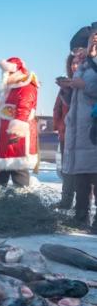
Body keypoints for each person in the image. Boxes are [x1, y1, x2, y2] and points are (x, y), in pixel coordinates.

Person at [62, 27, 97, 230]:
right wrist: (67, 90)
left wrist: (84, 86)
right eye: (74, 50)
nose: (77, 53)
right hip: (80, 132)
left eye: (79, 48)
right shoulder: (83, 67)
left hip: (93, 132)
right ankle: (80, 218)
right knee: (82, 180)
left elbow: (89, 89)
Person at [0, 57, 39, 188]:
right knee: (0, 175)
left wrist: (17, 131)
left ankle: (22, 203)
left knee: (18, 171)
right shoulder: (10, 89)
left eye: (7, 72)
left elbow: (24, 108)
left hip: (16, 141)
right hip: (5, 140)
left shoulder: (25, 87)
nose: (5, 75)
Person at [53, 49, 87, 209]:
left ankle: (83, 207)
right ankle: (66, 201)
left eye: (78, 63)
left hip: (83, 134)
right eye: (72, 63)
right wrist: (60, 126)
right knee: (67, 170)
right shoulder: (67, 83)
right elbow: (57, 109)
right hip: (66, 134)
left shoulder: (87, 82)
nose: (75, 66)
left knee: (83, 173)